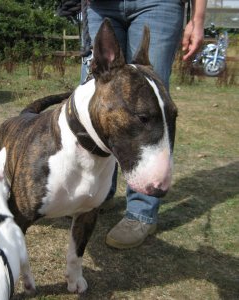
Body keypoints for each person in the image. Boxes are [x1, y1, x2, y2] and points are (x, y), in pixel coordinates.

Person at [80, 0, 207, 249]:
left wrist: (198, 17)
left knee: (150, 105)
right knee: (97, 100)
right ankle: (99, 193)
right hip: (101, 6)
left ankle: (141, 213)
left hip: (159, 4)